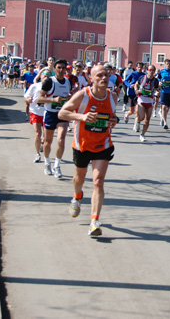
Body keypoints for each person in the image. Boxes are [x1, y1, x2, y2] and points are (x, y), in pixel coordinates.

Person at [58, 64, 118, 236]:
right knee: (79, 178)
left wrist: (114, 121)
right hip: (82, 144)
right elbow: (62, 113)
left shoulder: (112, 96)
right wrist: (82, 117)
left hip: (103, 144)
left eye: (106, 75)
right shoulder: (83, 95)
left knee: (98, 182)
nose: (103, 78)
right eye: (99, 75)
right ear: (91, 78)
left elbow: (112, 117)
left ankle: (94, 221)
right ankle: (77, 196)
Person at [37, 59, 71, 179]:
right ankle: (47, 163)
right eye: (59, 68)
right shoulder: (49, 82)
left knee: (61, 140)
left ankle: (57, 165)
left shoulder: (68, 82)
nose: (61, 70)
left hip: (62, 114)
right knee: (48, 141)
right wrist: (53, 100)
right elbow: (39, 99)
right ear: (55, 69)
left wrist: (69, 98)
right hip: (50, 113)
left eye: (63, 68)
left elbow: (67, 96)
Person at [25, 68, 50, 163]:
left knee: (46, 136)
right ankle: (37, 154)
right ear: (41, 77)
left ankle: (42, 144)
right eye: (44, 76)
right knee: (37, 133)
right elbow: (26, 97)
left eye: (48, 76)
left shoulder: (51, 87)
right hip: (35, 112)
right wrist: (28, 100)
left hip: (47, 113)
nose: (46, 78)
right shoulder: (34, 86)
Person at [134, 64, 160, 142]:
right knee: (141, 117)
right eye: (150, 70)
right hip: (141, 99)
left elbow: (157, 89)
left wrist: (157, 93)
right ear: (147, 70)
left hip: (149, 100)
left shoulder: (155, 81)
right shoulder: (142, 78)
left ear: (154, 72)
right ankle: (138, 121)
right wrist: (136, 90)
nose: (151, 72)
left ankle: (142, 134)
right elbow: (136, 84)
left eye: (153, 71)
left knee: (147, 119)